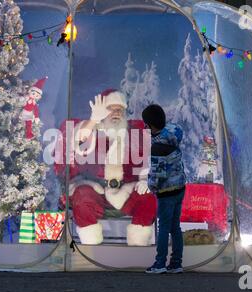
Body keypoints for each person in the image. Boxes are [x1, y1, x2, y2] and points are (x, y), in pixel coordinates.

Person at [54, 89, 157, 246]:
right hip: (96, 192)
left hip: (125, 192)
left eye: (120, 109)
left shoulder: (136, 133)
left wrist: (145, 180)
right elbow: (77, 143)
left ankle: (138, 251)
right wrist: (93, 121)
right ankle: (92, 251)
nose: (116, 113)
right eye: (111, 108)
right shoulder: (90, 130)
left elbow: (149, 160)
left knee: (148, 199)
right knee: (82, 197)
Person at [142, 104, 186, 274]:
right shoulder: (174, 132)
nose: (145, 127)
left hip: (166, 192)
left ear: (151, 125)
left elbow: (157, 174)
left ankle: (160, 263)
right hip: (180, 188)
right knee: (175, 227)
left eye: (146, 124)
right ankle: (176, 263)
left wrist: (151, 186)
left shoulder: (158, 147)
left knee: (164, 228)